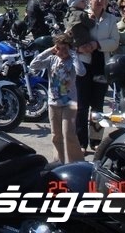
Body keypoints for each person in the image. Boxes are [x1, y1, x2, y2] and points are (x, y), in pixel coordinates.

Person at [75, 0, 120, 153]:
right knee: (82, 105)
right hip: (83, 65)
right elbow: (69, 36)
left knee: (98, 105)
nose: (99, 1)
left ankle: (95, 140)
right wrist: (79, 48)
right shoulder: (80, 16)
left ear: (106, 1)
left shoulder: (111, 19)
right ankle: (81, 142)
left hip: (102, 65)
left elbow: (114, 42)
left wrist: (97, 44)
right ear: (90, 0)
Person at [30, 33, 85, 163]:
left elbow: (81, 72)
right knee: (56, 135)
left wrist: (73, 55)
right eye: (58, 48)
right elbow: (33, 65)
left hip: (69, 102)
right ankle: (58, 162)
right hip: (53, 102)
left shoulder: (72, 61)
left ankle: (76, 162)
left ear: (70, 48)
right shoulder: (52, 59)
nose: (61, 52)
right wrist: (50, 50)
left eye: (64, 49)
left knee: (69, 133)